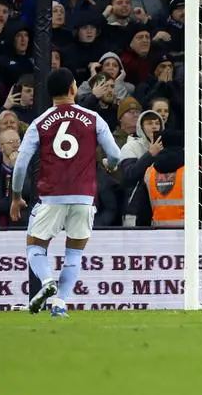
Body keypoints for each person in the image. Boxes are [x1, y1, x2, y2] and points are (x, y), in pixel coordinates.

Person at [10, 68, 123, 317]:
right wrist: (109, 165)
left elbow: (20, 164)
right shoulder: (93, 118)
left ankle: (47, 281)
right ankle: (60, 304)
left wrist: (17, 196)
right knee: (74, 253)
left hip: (51, 197)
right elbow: (115, 154)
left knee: (35, 247)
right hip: (84, 197)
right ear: (73, 89)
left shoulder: (39, 123)